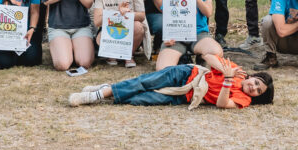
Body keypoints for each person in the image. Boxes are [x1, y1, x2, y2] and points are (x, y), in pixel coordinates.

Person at [68, 53, 273, 108]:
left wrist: (227, 81)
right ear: (252, 76)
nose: (253, 88)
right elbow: (207, 57)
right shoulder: (237, 71)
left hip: (185, 96)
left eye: (258, 91)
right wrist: (225, 70)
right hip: (186, 74)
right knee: (144, 82)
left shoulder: (243, 100)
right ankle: (97, 95)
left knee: (141, 99)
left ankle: (108, 90)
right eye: (256, 82)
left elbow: (221, 104)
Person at [156, 0, 220, 70]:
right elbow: (167, 16)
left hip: (198, 33)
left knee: (216, 53)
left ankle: (201, 58)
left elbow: (208, 12)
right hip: (176, 36)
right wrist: (167, 36)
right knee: (162, 69)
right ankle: (182, 59)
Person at [92, 0, 149, 68]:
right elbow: (97, 21)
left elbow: (141, 16)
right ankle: (112, 55)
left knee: (138, 26)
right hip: (110, 28)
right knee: (99, 40)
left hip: (130, 28)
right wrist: (118, 13)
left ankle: (128, 55)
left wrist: (127, 13)